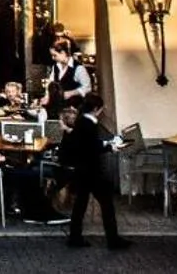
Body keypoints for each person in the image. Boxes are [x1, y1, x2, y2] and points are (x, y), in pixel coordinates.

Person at [58, 104, 129, 250]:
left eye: (60, 120)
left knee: (80, 205)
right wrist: (110, 146)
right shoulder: (79, 133)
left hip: (82, 173)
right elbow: (93, 147)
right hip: (92, 173)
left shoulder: (70, 136)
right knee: (106, 204)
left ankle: (75, 237)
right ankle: (112, 240)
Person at [46, 39, 94, 112]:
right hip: (58, 109)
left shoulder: (78, 68)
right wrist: (47, 96)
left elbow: (87, 88)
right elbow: (50, 84)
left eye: (54, 55)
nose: (53, 58)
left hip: (73, 110)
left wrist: (71, 93)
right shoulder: (55, 67)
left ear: (63, 53)